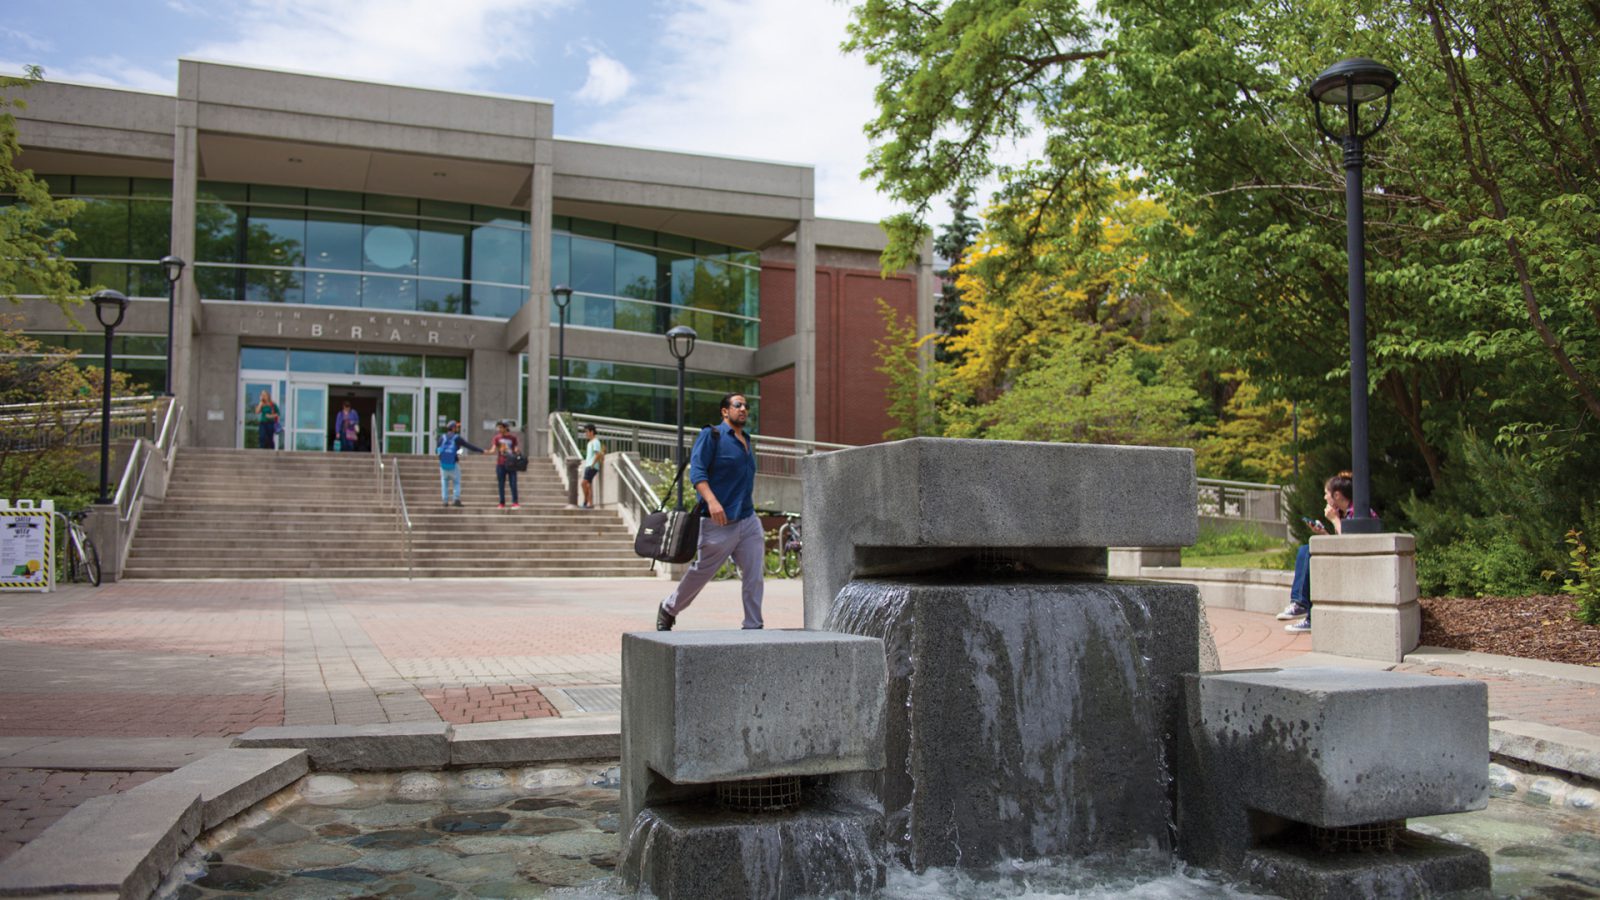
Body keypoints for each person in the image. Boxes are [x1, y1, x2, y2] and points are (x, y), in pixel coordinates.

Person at [656, 393, 763, 631]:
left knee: (754, 574)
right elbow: (698, 473)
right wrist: (712, 501)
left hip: (748, 519)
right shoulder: (711, 435)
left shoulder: (746, 439)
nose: (743, 408)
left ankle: (753, 625)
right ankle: (669, 607)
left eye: (746, 405)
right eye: (738, 405)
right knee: (702, 572)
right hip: (718, 522)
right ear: (725, 411)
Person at [1278, 471, 1356, 634]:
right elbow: (1340, 543)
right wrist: (1323, 534)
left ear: (1337, 495)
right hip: (1350, 561)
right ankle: (1305, 611)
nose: (1324, 498)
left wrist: (1334, 520)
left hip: (1356, 566)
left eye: (1326, 493)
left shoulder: (1355, 513)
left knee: (1308, 551)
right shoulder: (1346, 513)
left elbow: (1349, 545)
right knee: (1306, 550)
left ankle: (1301, 605)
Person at [437, 420, 484, 507]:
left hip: (443, 464)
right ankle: (456, 499)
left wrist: (441, 459)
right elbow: (468, 446)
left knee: (444, 481)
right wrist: (481, 451)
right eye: (457, 427)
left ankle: (445, 500)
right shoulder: (457, 438)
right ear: (453, 428)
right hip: (453, 464)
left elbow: (438, 450)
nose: (458, 428)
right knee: (456, 482)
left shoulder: (441, 437)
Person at [489, 421, 521, 509]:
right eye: (499, 428)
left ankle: (515, 502)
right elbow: (493, 449)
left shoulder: (512, 438)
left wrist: (517, 450)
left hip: (511, 463)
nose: (499, 429)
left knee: (513, 483)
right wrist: (486, 452)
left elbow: (515, 448)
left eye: (501, 428)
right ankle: (501, 503)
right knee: (501, 484)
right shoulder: (497, 438)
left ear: (505, 428)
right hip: (500, 463)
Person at [579, 423, 604, 509]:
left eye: (587, 432)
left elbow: (598, 454)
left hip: (591, 466)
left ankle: (586, 502)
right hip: (588, 465)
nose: (585, 434)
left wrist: (593, 464)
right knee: (588, 485)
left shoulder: (596, 442)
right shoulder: (589, 443)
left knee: (583, 483)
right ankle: (589, 504)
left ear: (592, 432)